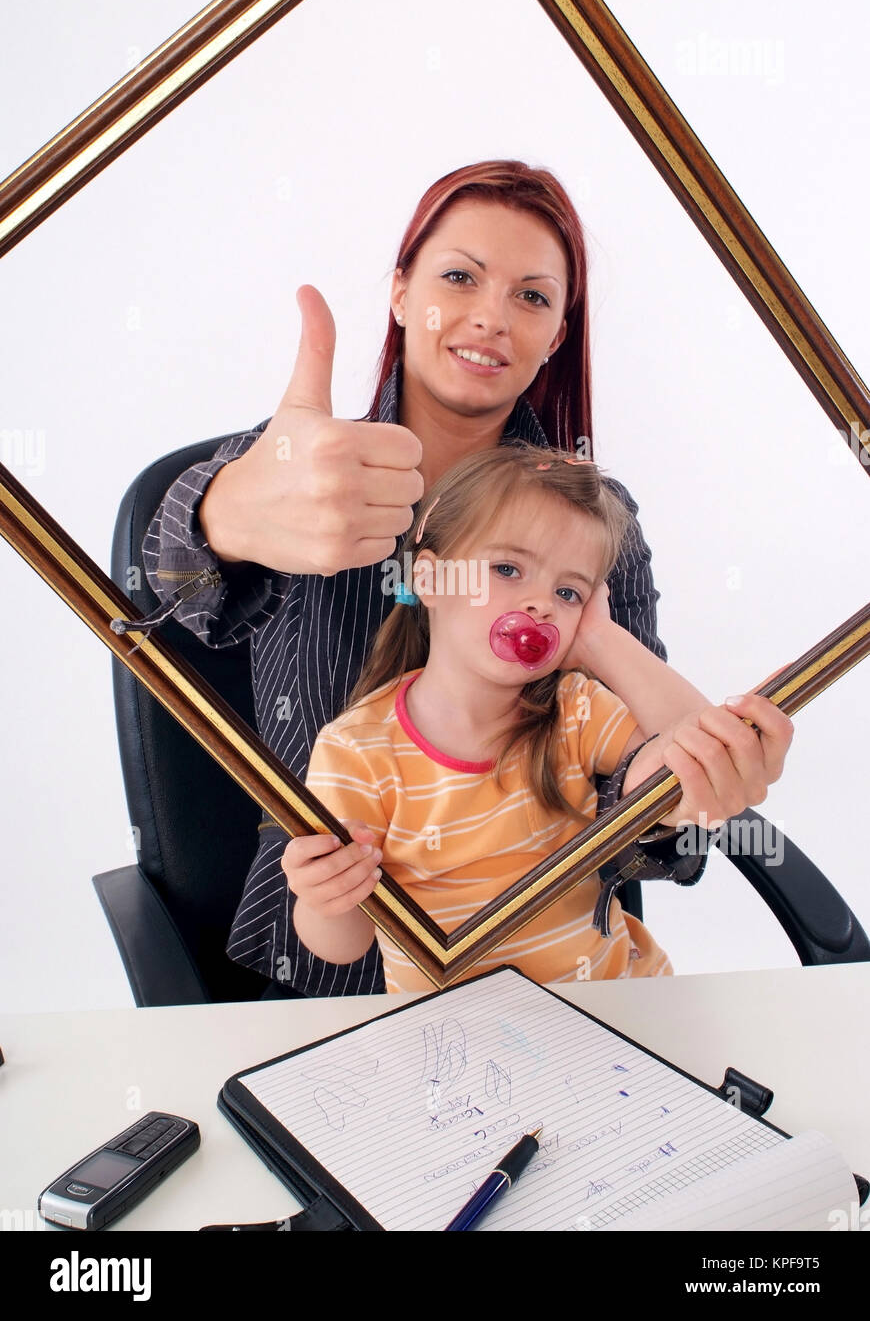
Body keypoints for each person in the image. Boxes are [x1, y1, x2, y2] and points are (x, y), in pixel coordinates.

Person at [141, 159, 793, 998]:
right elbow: (158, 604)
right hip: (335, 976)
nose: (492, 318)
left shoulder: (598, 521)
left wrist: (693, 783)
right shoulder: (306, 470)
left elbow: (649, 796)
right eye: (460, 277)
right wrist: (222, 514)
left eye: (532, 296)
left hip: (558, 973)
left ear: (556, 334)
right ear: (403, 291)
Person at [282, 443, 793, 990]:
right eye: (507, 568)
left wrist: (598, 636)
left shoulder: (576, 710)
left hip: (613, 1000)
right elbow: (341, 947)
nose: (540, 605)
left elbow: (696, 759)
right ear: (429, 580)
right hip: (453, 1038)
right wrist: (325, 897)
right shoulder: (357, 750)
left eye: (568, 592)